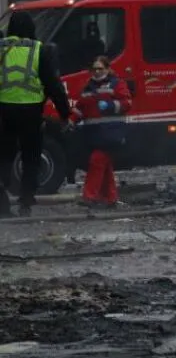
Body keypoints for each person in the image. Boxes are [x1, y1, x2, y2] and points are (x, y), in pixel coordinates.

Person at [0, 11, 73, 217]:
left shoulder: (1, 47)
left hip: (4, 110)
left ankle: (2, 198)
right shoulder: (38, 50)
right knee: (31, 157)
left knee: (4, 156)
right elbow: (53, 86)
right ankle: (25, 201)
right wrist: (64, 114)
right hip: (31, 112)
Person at [73, 56, 131, 207]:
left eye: (100, 68)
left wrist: (110, 105)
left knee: (96, 161)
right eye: (95, 69)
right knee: (105, 166)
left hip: (111, 132)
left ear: (107, 68)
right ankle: (111, 198)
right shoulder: (88, 87)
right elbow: (81, 108)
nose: (97, 72)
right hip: (94, 134)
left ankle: (89, 196)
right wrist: (70, 120)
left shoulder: (116, 83)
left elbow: (127, 103)